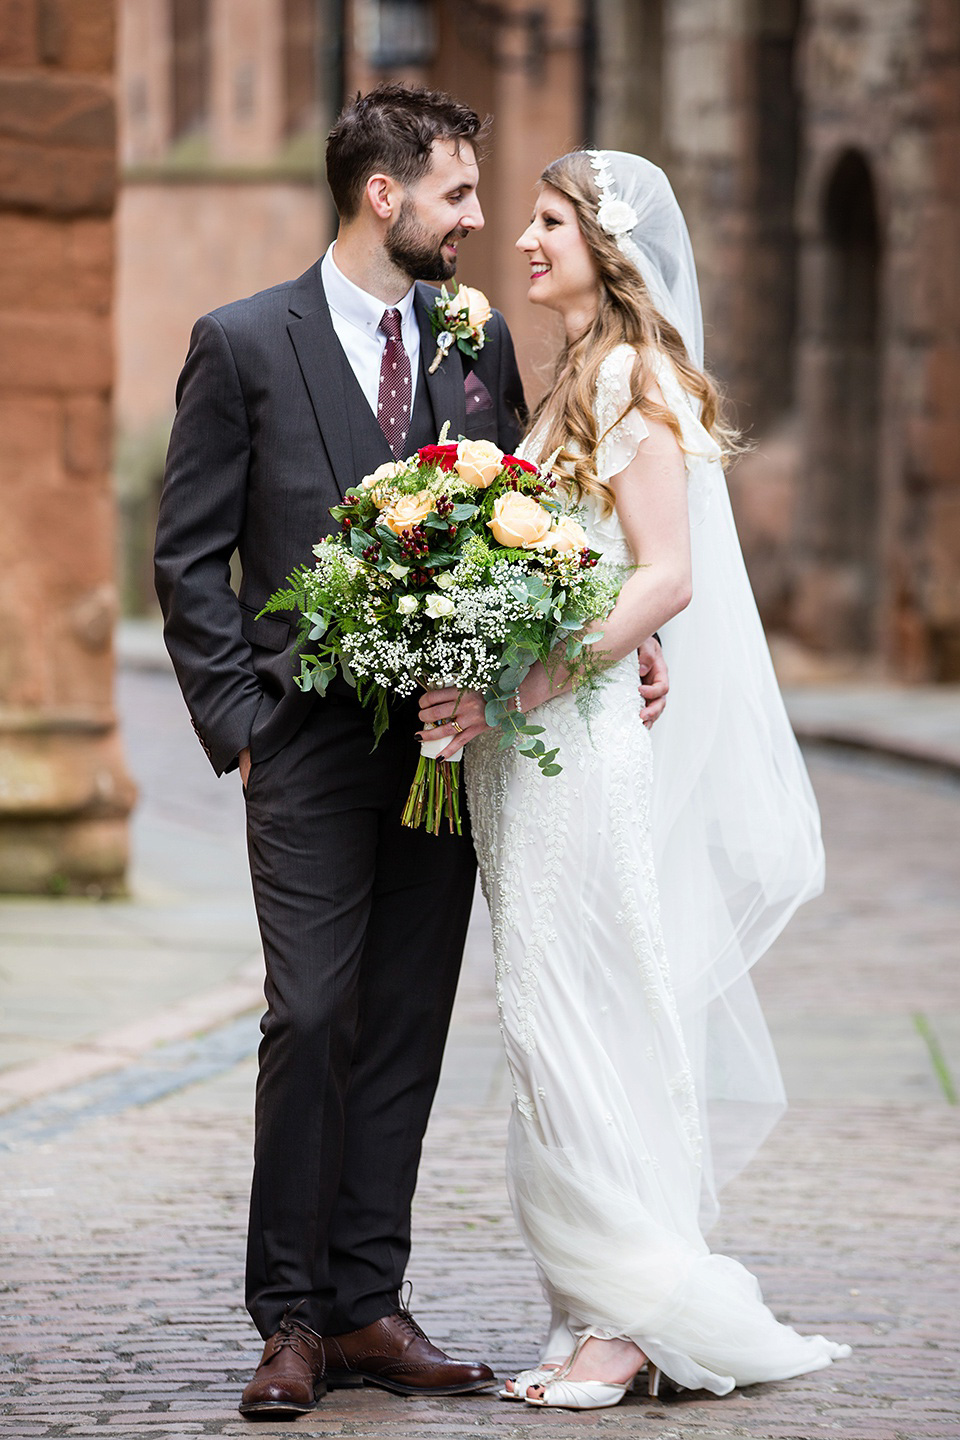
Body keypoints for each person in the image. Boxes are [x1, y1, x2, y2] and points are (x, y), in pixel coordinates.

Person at [155, 84, 669, 1420]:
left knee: (404, 1029)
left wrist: (600, 626)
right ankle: (289, 1318)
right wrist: (246, 727)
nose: (478, 223)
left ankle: (369, 1304)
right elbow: (189, 557)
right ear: (386, 196)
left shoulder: (475, 339)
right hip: (310, 747)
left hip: (454, 748)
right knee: (311, 1013)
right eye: (457, 194)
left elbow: (523, 513)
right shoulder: (241, 343)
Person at [418, 149, 851, 1409]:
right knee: (550, 1016)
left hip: (573, 736)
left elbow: (666, 573)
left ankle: (631, 1318)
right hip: (532, 746)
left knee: (592, 1008)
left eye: (547, 222)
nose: (525, 241)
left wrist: (530, 685)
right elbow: (597, 569)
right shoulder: (569, 380)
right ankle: (593, 1298)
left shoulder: (623, 376)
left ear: (604, 245)